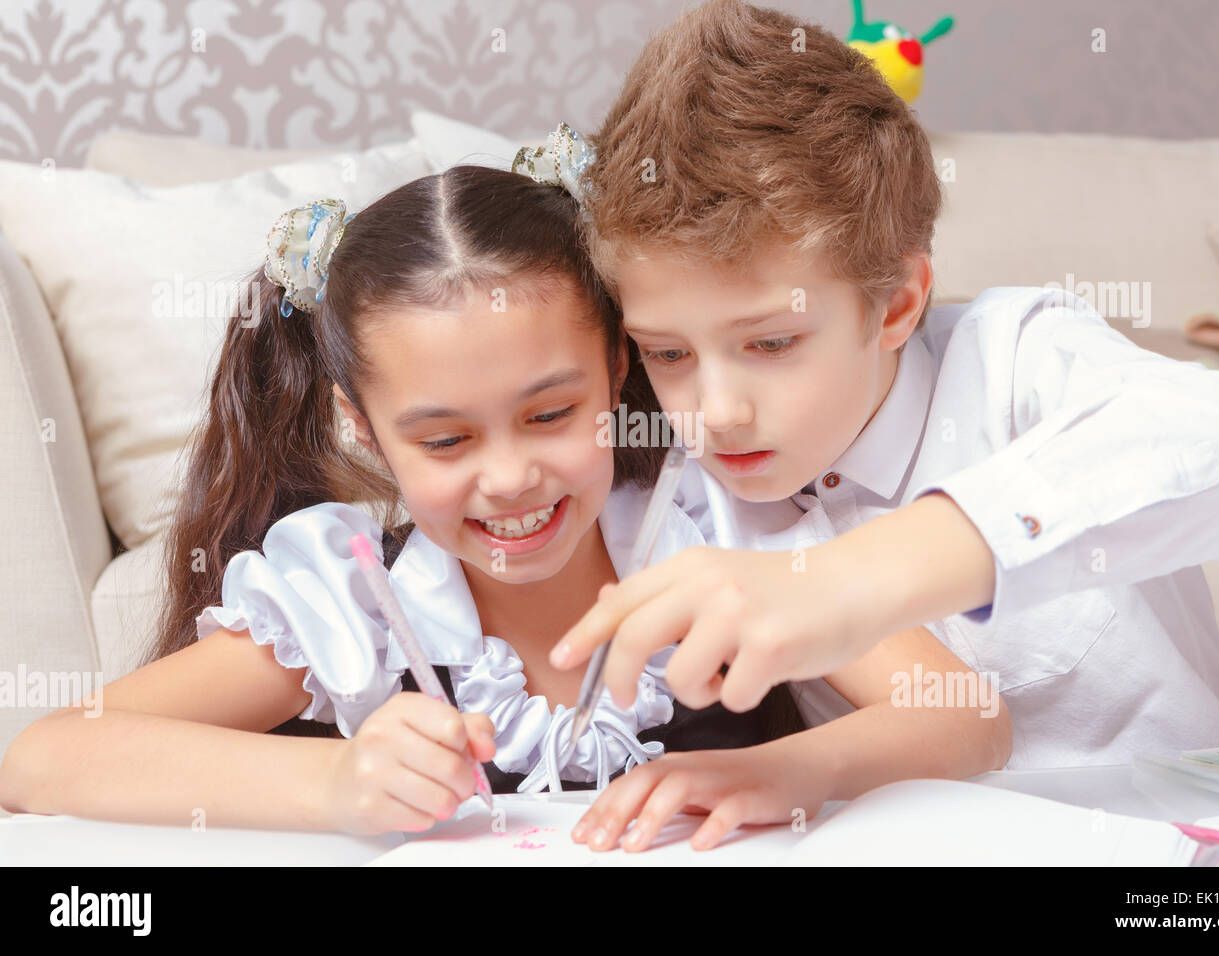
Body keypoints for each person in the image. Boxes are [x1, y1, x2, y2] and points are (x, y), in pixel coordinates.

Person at [0, 137, 1011, 849]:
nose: (510, 476)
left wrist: (778, 775)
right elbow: (43, 760)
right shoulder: (352, 602)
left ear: (617, 369)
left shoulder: (716, 535)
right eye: (443, 437)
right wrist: (336, 782)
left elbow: (964, 712)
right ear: (361, 425)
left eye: (547, 414)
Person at [552, 0, 1219, 850]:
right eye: (668, 354)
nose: (715, 413)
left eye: (773, 341)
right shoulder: (690, 499)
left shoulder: (1015, 358)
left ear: (898, 299)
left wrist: (854, 577)